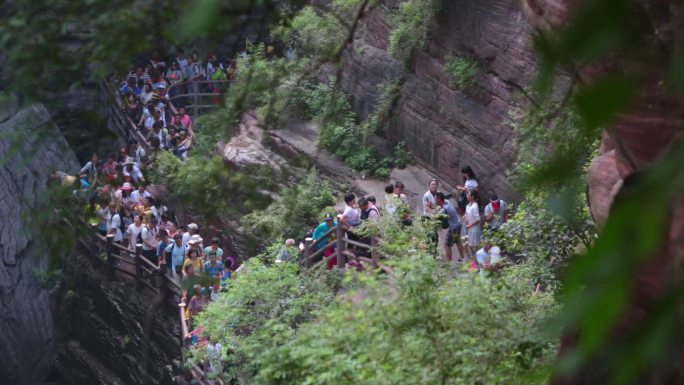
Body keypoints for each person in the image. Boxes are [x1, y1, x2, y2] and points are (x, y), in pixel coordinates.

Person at [435, 192, 465, 262]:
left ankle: (449, 263)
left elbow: (436, 217)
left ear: (439, 199)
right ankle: (462, 258)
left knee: (446, 245)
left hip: (453, 228)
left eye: (436, 199)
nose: (435, 200)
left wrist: (430, 207)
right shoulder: (447, 202)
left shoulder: (444, 210)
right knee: (458, 241)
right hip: (458, 224)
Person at [464, 190, 482, 264]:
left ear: (472, 197)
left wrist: (469, 225)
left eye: (468, 194)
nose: (467, 195)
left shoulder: (475, 206)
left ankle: (477, 261)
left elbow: (478, 219)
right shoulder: (468, 205)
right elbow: (466, 214)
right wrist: (465, 218)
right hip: (469, 228)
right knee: (470, 245)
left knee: (474, 246)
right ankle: (474, 260)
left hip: (474, 229)